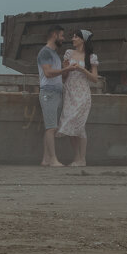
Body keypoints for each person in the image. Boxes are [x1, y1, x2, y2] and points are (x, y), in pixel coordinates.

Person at [56, 29, 100, 167]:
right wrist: (66, 68)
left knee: (79, 125)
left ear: (83, 40)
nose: (73, 39)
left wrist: (82, 69)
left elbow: (95, 79)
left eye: (76, 37)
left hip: (83, 94)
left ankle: (82, 158)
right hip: (69, 92)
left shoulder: (91, 57)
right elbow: (64, 77)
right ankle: (77, 157)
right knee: (69, 123)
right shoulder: (69, 53)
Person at [37, 25, 72, 167]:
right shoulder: (45, 53)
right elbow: (48, 73)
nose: (63, 39)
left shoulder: (55, 54)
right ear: (54, 35)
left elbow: (60, 77)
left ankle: (46, 159)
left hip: (56, 92)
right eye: (62, 36)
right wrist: (65, 69)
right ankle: (53, 159)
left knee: (52, 127)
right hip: (48, 93)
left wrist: (65, 69)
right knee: (51, 127)